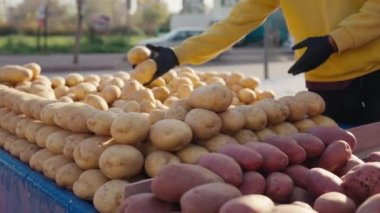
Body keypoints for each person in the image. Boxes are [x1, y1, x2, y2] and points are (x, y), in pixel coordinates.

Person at [142, 0, 380, 126]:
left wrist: (333, 41)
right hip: (323, 87)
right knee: (346, 167)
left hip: (374, 75)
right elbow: (236, 24)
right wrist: (177, 55)